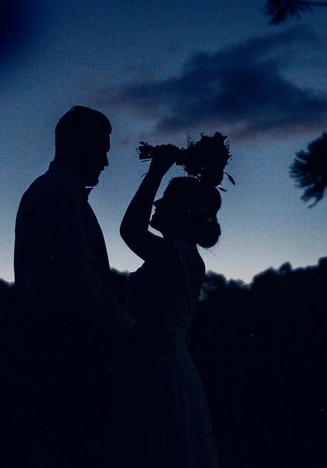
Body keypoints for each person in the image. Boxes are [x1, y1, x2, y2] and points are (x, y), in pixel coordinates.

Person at [11, 106, 134, 467]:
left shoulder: (58, 193)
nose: (107, 163)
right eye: (102, 150)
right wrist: (127, 327)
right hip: (64, 356)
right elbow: (76, 276)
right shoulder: (56, 194)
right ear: (78, 145)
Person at [118, 143, 221, 468]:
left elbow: (130, 230)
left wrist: (156, 171)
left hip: (162, 371)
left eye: (167, 197)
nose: (158, 201)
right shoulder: (180, 255)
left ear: (182, 211)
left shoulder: (176, 253)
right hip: (165, 366)